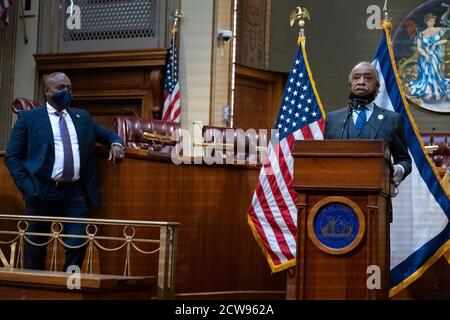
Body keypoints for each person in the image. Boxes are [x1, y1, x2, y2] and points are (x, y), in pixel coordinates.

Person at [4, 72, 125, 271]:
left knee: (78, 242)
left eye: (69, 87)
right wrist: (27, 187)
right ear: (47, 91)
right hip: (41, 190)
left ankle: (69, 286)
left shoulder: (82, 117)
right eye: (61, 88)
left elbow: (109, 135)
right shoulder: (28, 118)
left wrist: (116, 143)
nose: (66, 91)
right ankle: (36, 291)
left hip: (75, 193)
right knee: (35, 247)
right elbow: (12, 157)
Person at [324, 62, 412, 186]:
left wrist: (399, 169)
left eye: (368, 78)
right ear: (350, 84)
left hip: (377, 192)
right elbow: (324, 158)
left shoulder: (393, 119)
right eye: (356, 77)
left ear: (377, 86)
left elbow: (404, 159)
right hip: (339, 191)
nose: (361, 82)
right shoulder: (333, 119)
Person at [408, 13, 449, 101]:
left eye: (433, 21)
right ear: (426, 22)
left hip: (436, 55)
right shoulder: (421, 34)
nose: (432, 23)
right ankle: (430, 91)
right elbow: (419, 47)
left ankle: (437, 90)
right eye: (431, 21)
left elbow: (445, 39)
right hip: (425, 56)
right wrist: (425, 55)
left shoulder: (439, 30)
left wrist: (436, 44)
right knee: (428, 70)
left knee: (434, 68)